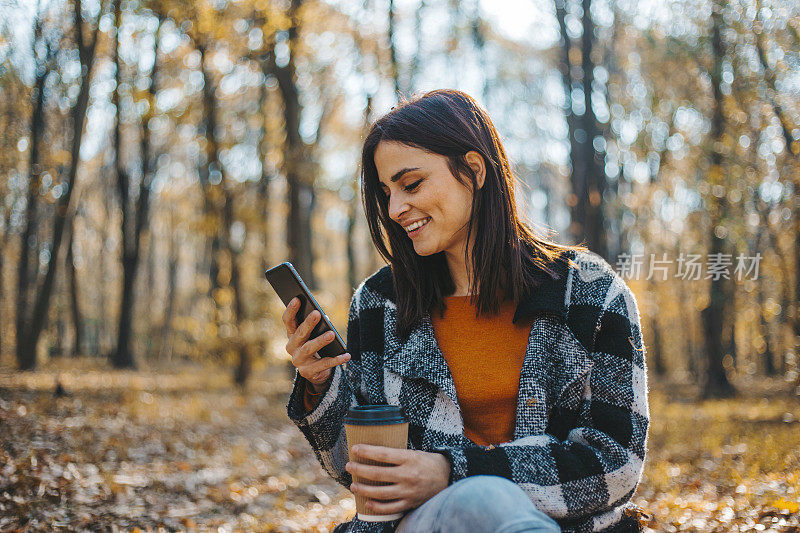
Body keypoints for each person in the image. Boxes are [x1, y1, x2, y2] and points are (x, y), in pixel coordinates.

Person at [283, 89, 649, 533]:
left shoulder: (591, 294)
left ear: (473, 170)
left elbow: (616, 463)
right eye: (386, 192)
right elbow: (361, 474)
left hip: (565, 525)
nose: (395, 209)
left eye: (411, 184)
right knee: (480, 498)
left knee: (486, 496)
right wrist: (321, 385)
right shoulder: (380, 304)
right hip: (420, 527)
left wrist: (453, 470)